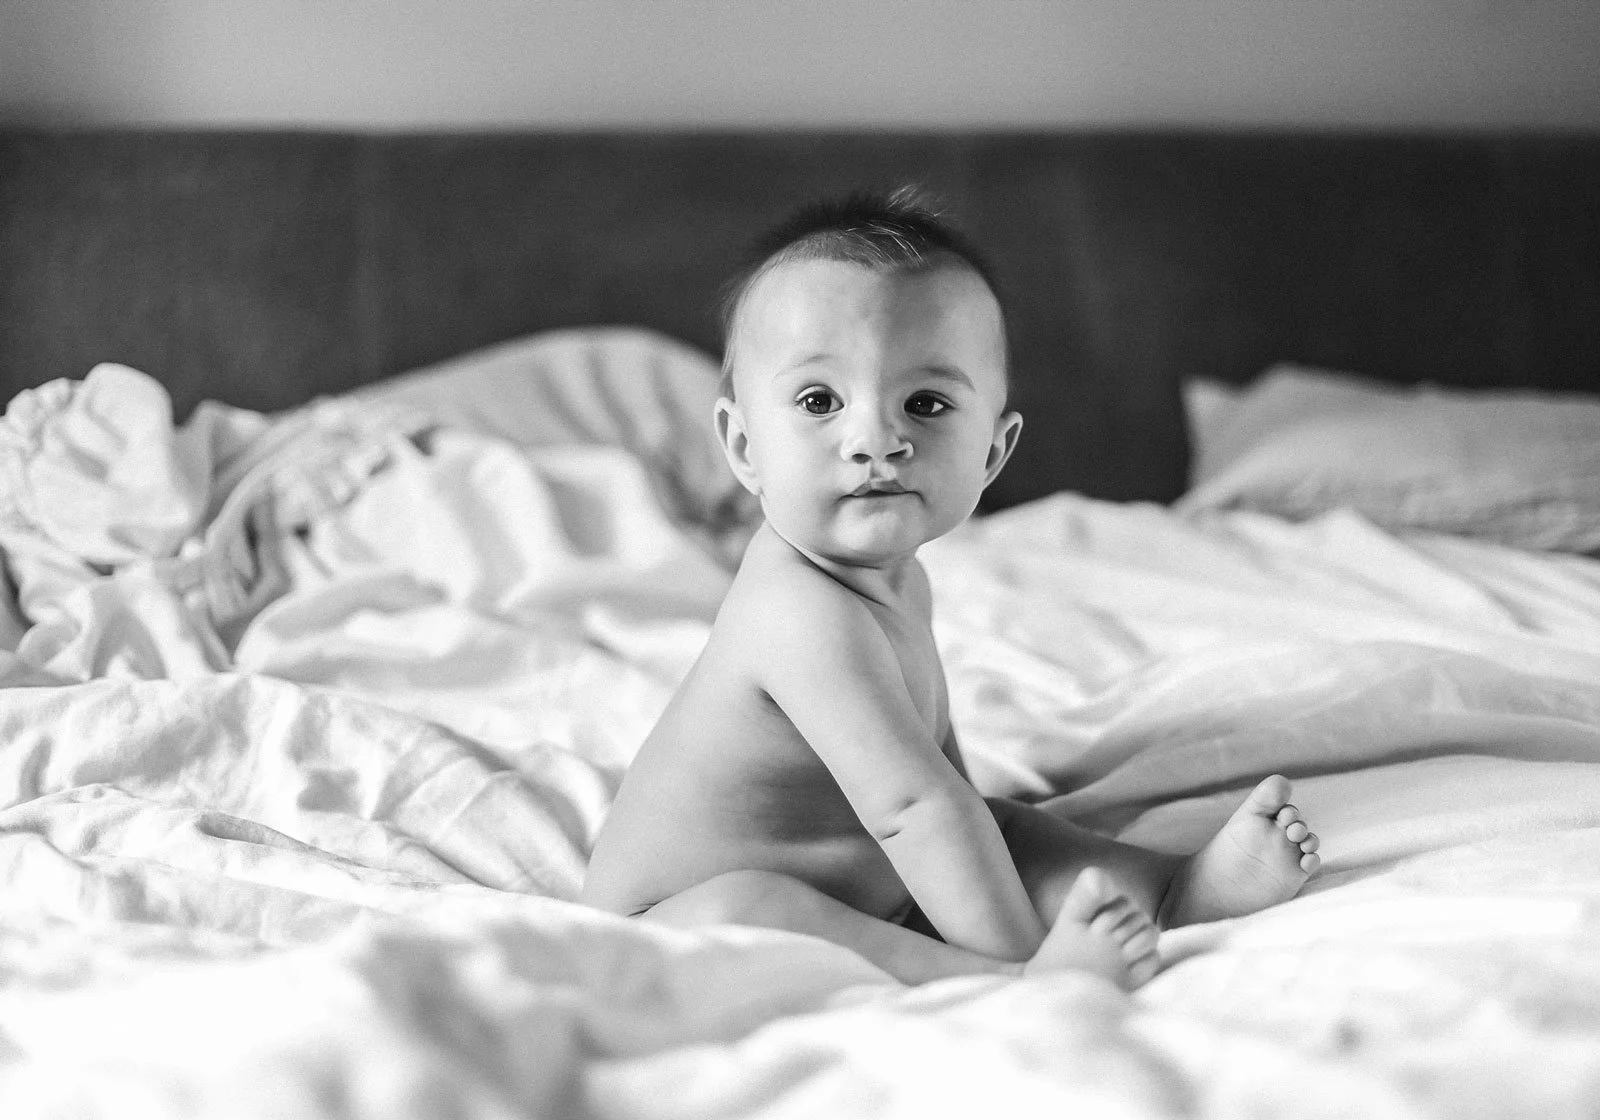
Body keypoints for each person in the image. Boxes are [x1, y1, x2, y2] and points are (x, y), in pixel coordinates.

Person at [581, 188, 1320, 988]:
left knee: (1001, 829)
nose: (875, 440)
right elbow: (912, 809)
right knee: (769, 902)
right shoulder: (795, 611)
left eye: (925, 404)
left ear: (993, 455)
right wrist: (1013, 946)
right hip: (674, 921)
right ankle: (1009, 978)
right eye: (819, 401)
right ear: (743, 445)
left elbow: (939, 773)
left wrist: (991, 838)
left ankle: (1175, 888)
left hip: (870, 876)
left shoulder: (902, 582)